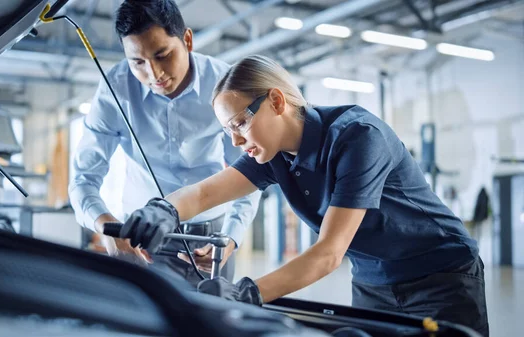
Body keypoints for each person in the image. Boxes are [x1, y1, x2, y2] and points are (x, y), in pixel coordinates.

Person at [111, 55, 489, 337]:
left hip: (442, 278)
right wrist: (162, 210)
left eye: (240, 123)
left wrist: (247, 294)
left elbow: (328, 254)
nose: (236, 141)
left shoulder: (358, 137)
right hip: (373, 283)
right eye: (228, 130)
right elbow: (206, 191)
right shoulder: (271, 154)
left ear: (276, 101)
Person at [68, 0, 261, 286]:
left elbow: (250, 171)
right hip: (140, 241)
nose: (154, 74)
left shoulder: (224, 83)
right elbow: (83, 178)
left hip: (210, 239)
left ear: (187, 40)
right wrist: (106, 227)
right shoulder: (114, 88)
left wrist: (230, 238)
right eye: (138, 62)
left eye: (163, 55)